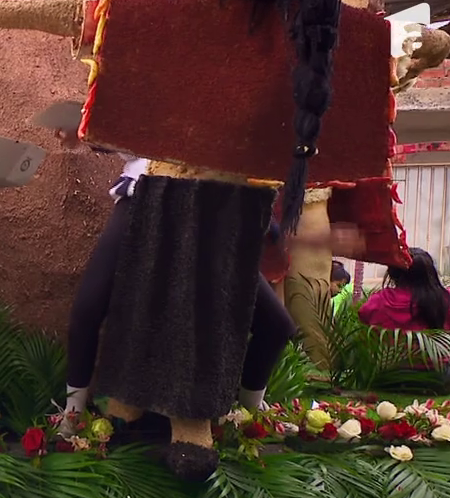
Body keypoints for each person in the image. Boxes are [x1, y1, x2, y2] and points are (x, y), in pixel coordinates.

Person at [55, 134, 296, 425]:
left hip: (209, 214)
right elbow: (122, 133)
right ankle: (73, 413)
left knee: (277, 325)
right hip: (145, 197)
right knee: (89, 305)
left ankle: (248, 416)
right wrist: (85, 132)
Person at [359, 247, 450, 393]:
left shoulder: (378, 301)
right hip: (436, 377)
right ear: (431, 273)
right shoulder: (449, 299)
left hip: (389, 376)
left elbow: (364, 328)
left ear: (393, 274)